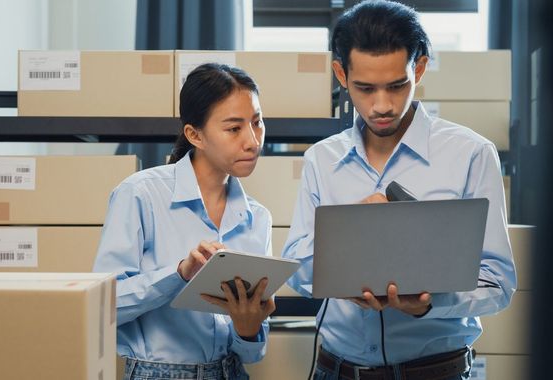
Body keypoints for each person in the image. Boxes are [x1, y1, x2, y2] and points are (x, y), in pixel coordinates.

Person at [281, 1, 516, 379]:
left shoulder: (471, 154)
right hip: (337, 370)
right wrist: (346, 254)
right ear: (341, 74)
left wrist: (427, 303)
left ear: (418, 68)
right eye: (365, 88)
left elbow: (498, 283)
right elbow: (296, 265)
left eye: (396, 85)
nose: (381, 106)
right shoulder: (321, 160)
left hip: (435, 371)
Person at [94, 63, 275, 380]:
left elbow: (253, 354)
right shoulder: (140, 195)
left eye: (257, 122)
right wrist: (178, 274)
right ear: (195, 135)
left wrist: (249, 330)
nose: (252, 140)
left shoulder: (257, 217)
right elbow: (104, 308)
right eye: (234, 128)